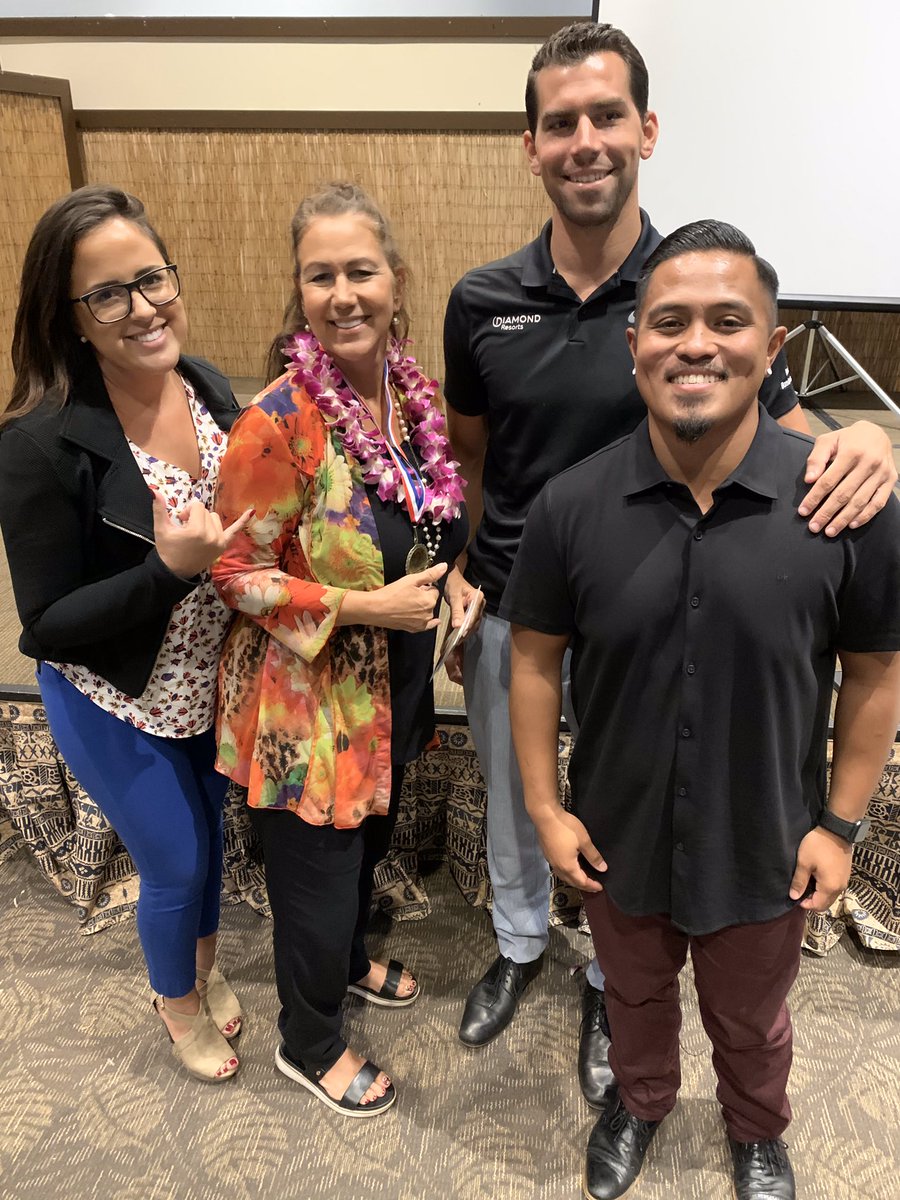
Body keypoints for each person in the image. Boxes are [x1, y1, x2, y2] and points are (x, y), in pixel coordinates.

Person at [443, 20, 898, 1101]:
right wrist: (471, 560)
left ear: (646, 130)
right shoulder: (481, 300)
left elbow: (784, 424)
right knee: (521, 802)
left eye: (607, 116)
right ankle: (518, 944)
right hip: (523, 603)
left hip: (661, 601)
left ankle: (614, 980)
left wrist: (876, 444)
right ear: (531, 146)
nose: (586, 141)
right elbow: (473, 456)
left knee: (636, 811)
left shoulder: (691, 287)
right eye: (561, 123)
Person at [502, 219, 900, 1200]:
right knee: (633, 1000)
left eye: (728, 321)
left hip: (767, 842)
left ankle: (756, 1127)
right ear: (634, 341)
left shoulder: (844, 505)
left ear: (772, 346)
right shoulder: (569, 506)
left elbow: (874, 676)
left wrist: (841, 827)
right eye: (670, 321)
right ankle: (639, 1103)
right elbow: (534, 663)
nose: (697, 344)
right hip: (617, 837)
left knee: (752, 1019)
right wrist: (546, 810)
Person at [211, 181, 475, 1117]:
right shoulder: (277, 421)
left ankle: (351, 961)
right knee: (316, 885)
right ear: (299, 291)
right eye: (319, 276)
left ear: (396, 280)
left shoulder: (409, 395)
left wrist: (457, 578)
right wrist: (366, 606)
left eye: (361, 271)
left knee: (367, 849)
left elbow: (430, 522)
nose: (343, 294)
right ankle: (309, 1040)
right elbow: (232, 573)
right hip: (308, 702)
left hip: (391, 684)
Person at [0, 185, 251, 1083]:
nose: (144, 309)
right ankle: (175, 1003)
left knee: (211, 840)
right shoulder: (36, 443)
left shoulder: (205, 383)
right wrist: (166, 573)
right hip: (115, 695)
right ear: (68, 317)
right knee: (175, 862)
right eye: (108, 294)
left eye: (152, 279)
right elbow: (45, 626)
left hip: (208, 680)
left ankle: (203, 968)